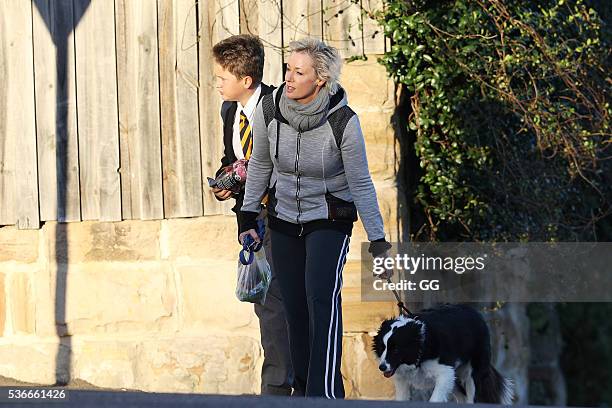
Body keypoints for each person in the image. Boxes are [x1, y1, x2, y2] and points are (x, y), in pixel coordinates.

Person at [238, 38, 391, 398]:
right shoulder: (271, 110)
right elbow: (260, 163)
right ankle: (307, 391)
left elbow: (361, 183)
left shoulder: (343, 122)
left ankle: (323, 395)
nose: (288, 78)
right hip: (284, 216)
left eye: (299, 72)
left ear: (320, 80)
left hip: (329, 218)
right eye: (288, 69)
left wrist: (378, 241)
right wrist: (247, 215)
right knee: (294, 308)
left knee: (319, 298)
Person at [211, 34, 293, 396]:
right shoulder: (230, 110)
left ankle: (278, 389)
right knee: (264, 299)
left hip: (283, 213)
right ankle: (283, 384)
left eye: (222, 78)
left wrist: (260, 180)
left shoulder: (277, 106)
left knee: (277, 300)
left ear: (246, 81)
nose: (217, 84)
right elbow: (233, 158)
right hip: (250, 217)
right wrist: (226, 180)